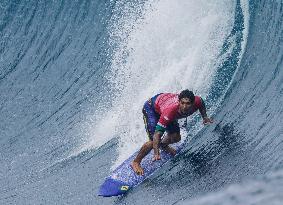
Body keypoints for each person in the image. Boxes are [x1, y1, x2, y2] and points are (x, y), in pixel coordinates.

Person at [131, 89, 213, 175]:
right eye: (182, 103)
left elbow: (201, 103)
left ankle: (163, 145)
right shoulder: (170, 111)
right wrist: (156, 152)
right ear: (179, 101)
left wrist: (205, 117)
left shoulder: (197, 101)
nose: (184, 106)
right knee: (153, 142)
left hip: (163, 105)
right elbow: (157, 134)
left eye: (188, 103)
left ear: (192, 103)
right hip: (152, 108)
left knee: (176, 137)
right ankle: (136, 162)